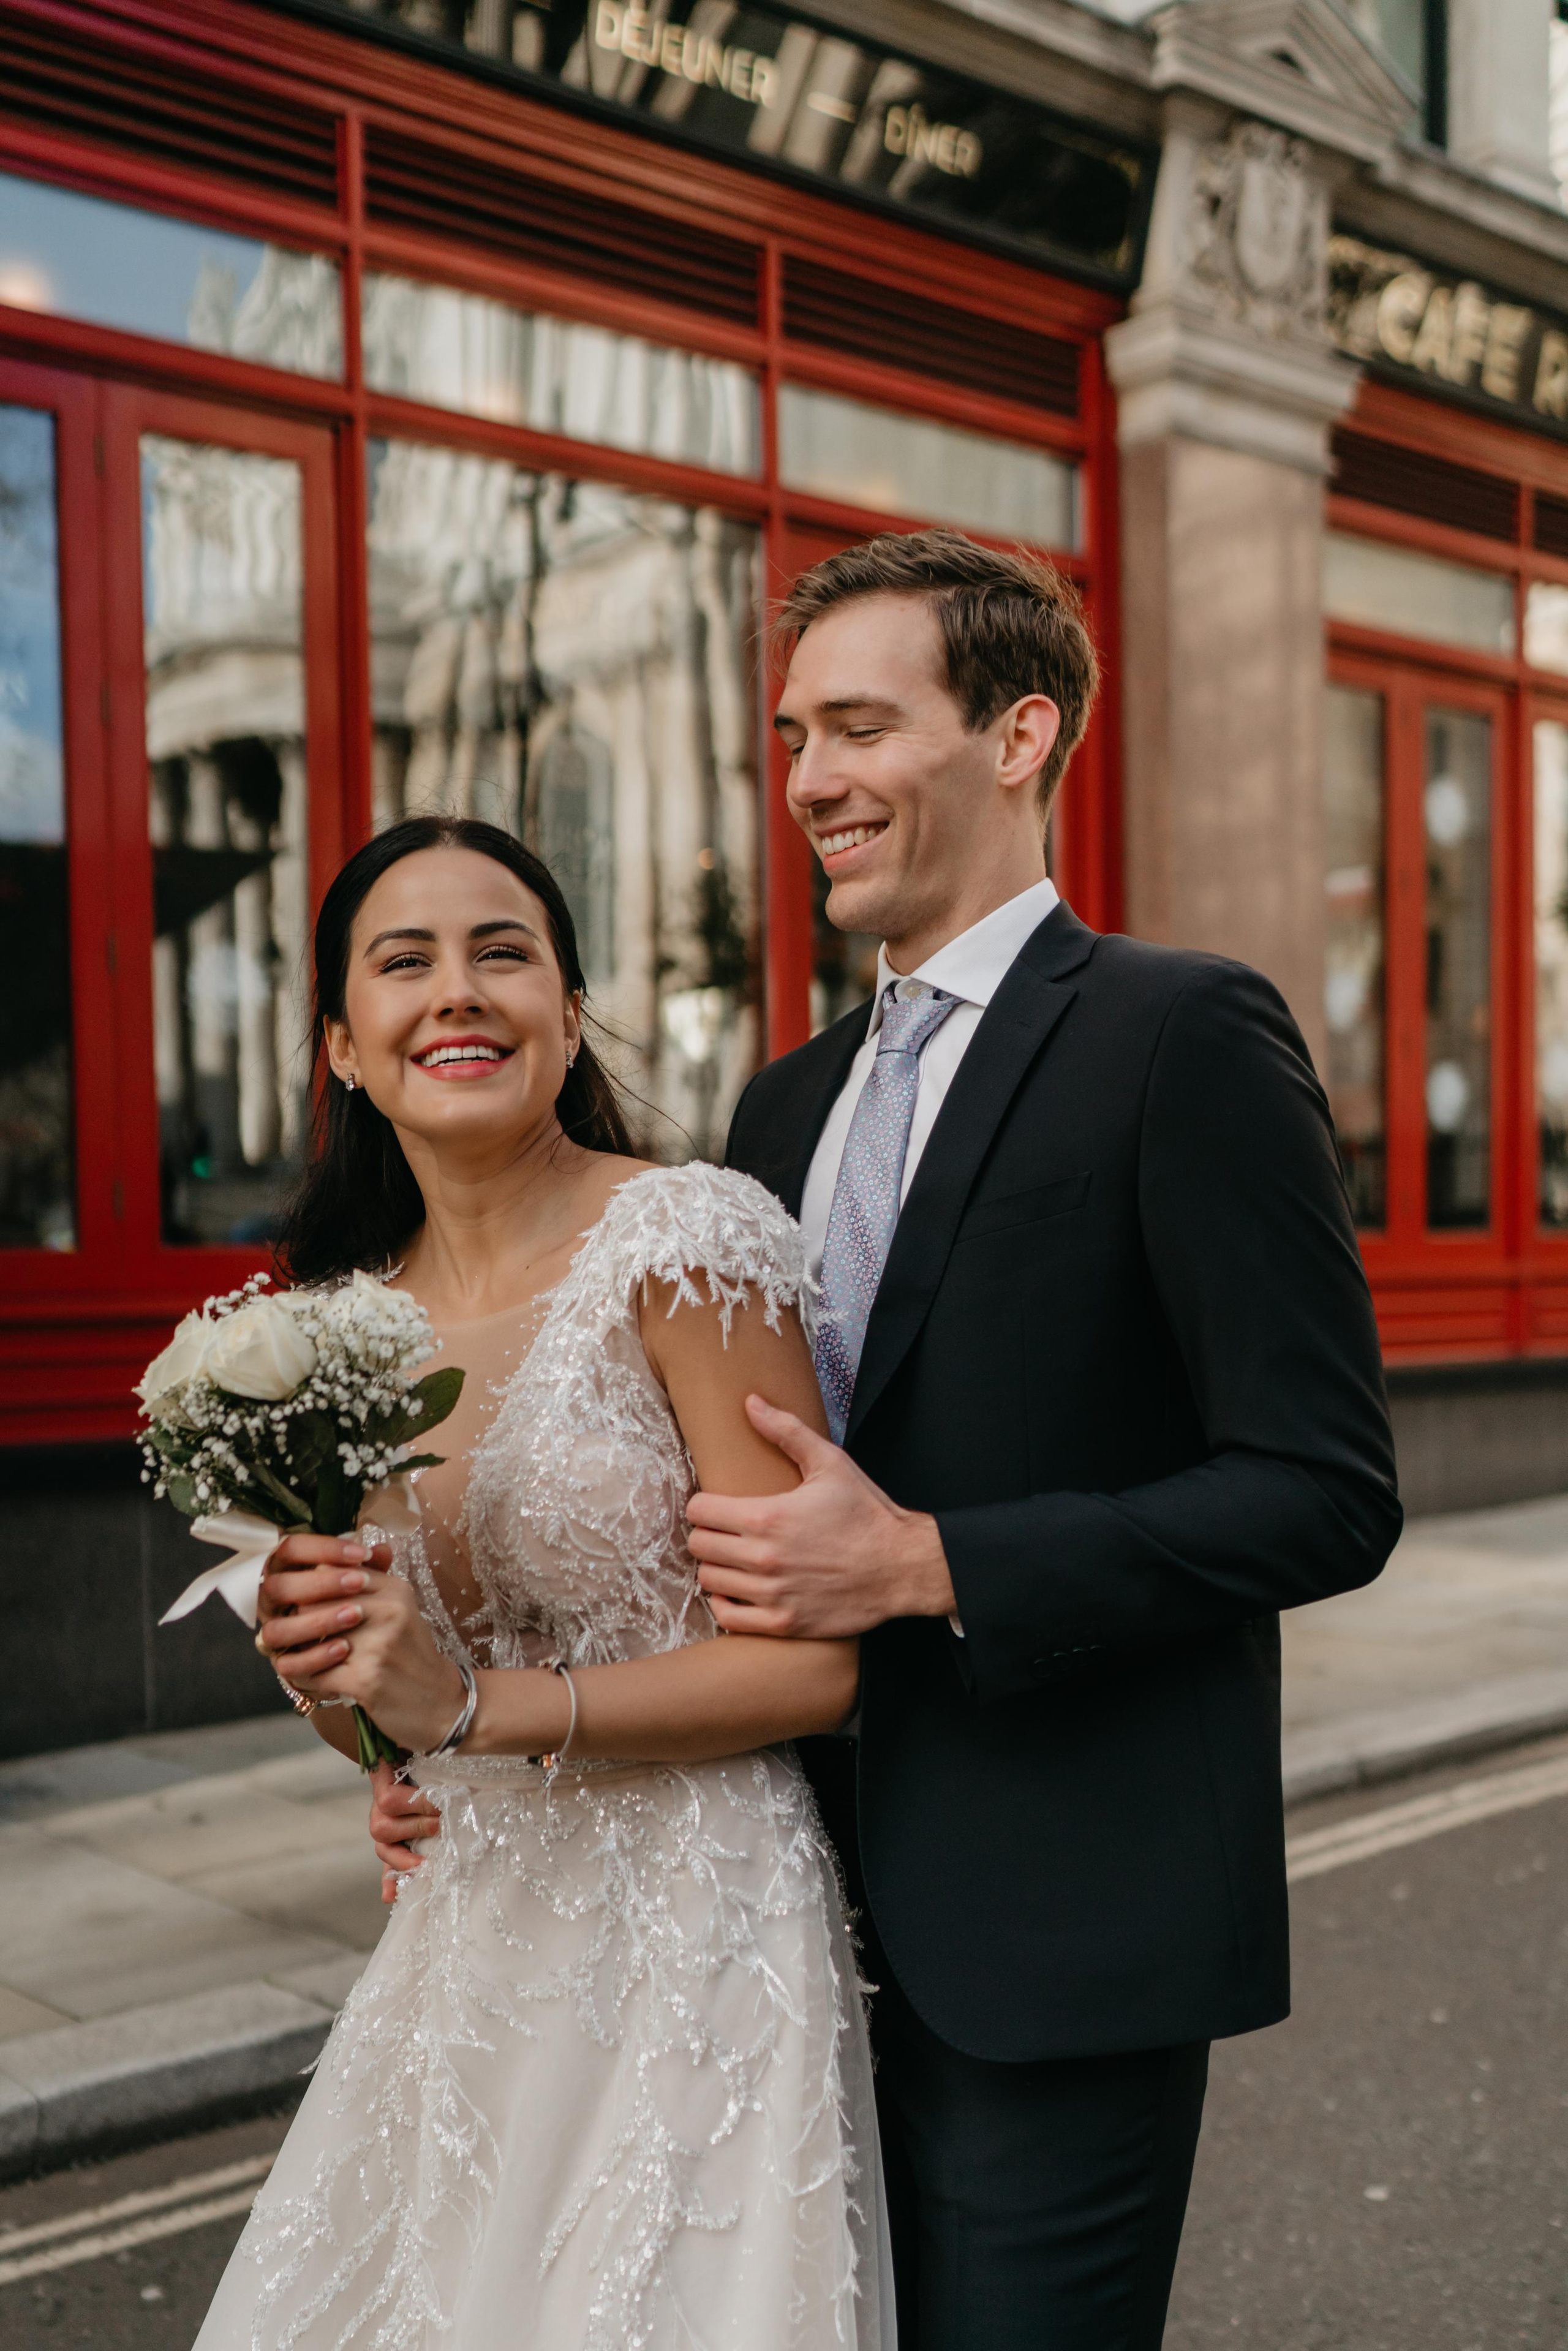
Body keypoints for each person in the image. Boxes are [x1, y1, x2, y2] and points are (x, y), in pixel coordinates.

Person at [680, 528, 1404, 2348]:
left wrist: (931, 1561)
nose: (811, 779)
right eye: (790, 736)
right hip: (775, 1926)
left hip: (1065, 1929)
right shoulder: (781, 1102)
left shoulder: (1185, 1034)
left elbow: (1325, 1489)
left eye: (858, 724)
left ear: (1021, 734)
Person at [194, 814, 893, 2351]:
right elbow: (375, 1722)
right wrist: (336, 1681)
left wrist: (471, 1705)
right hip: (468, 1934)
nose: (458, 991)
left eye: (502, 952)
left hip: (691, 1928)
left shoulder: (686, 1240)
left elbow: (813, 1670)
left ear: (567, 1015)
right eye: (406, 961)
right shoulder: (318, 1337)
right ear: (343, 1046)